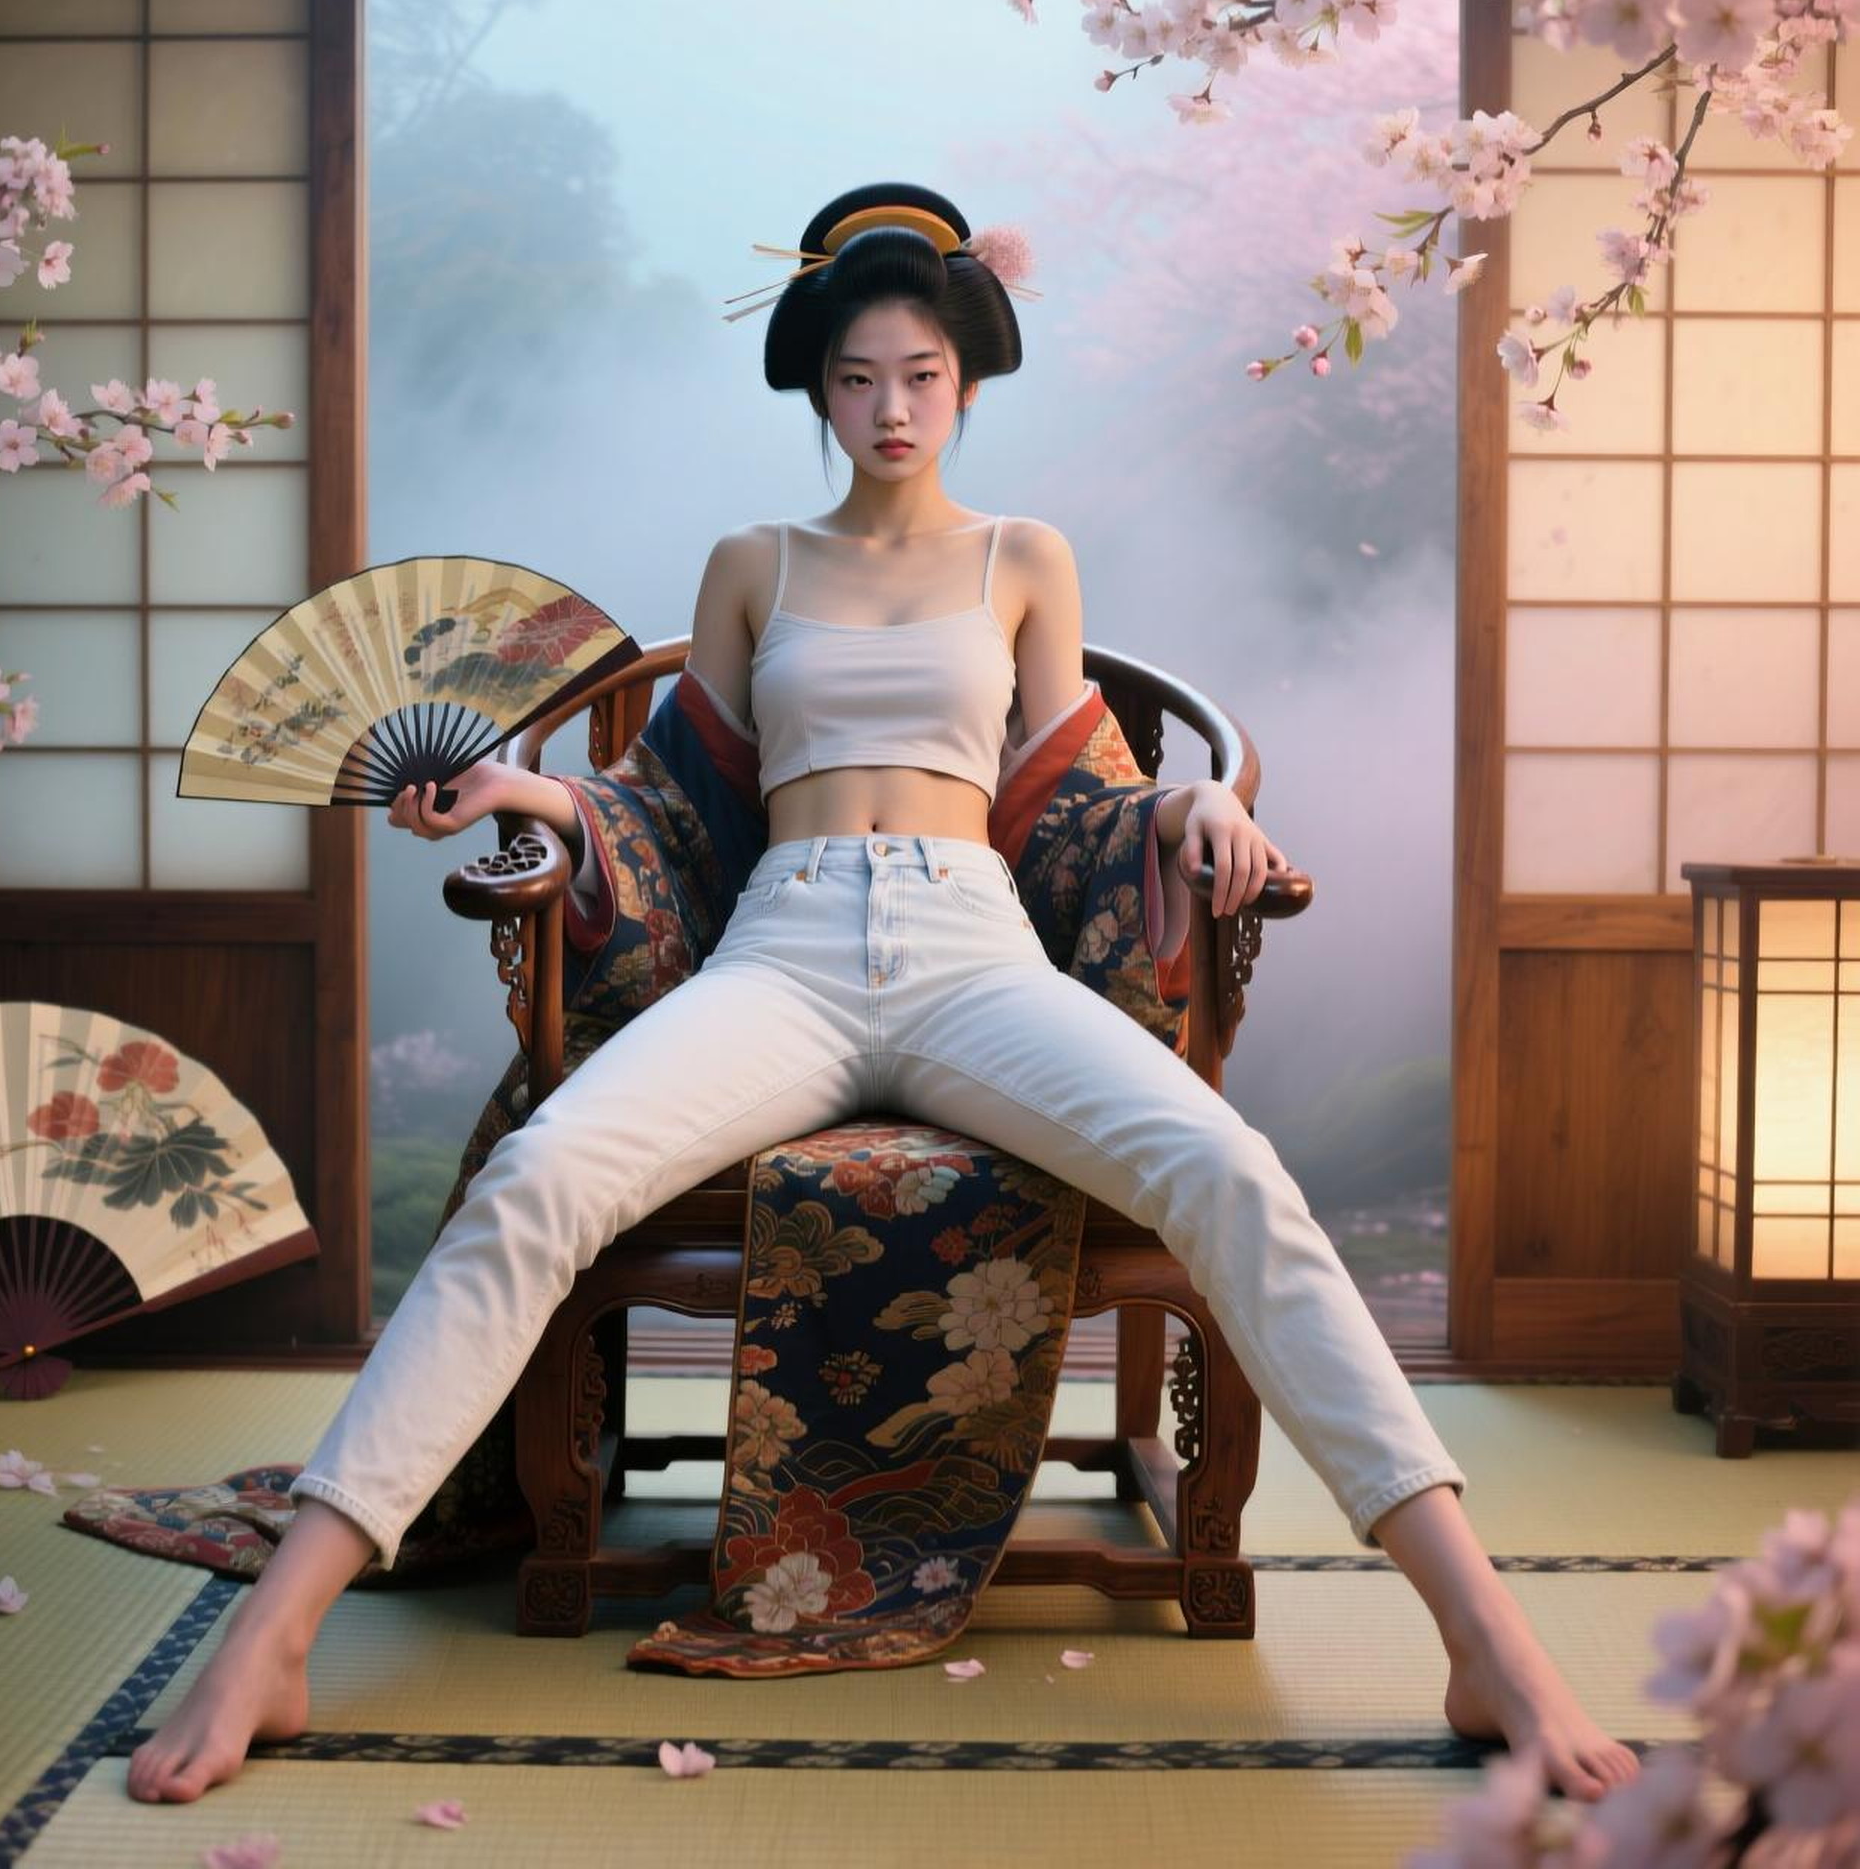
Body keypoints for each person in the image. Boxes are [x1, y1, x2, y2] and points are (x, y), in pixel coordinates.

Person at [127, 181, 1640, 1806]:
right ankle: (280, 1638)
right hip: (777, 952)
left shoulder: (1022, 557)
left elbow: (1076, 803)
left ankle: (1483, 1634)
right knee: (540, 1179)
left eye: (919, 373)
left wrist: (1189, 810)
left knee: (1229, 1173)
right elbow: (675, 810)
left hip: (968, 947)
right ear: (818, 389)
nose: (890, 407)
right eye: (857, 378)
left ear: (967, 381)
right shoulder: (753, 563)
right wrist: (527, 797)